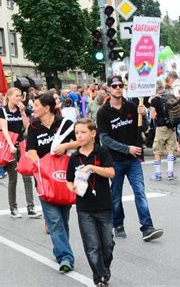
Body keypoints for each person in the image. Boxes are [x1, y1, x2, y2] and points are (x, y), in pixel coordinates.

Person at [97, 75, 164, 241]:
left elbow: (145, 128)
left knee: (140, 192)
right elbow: (104, 139)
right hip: (114, 160)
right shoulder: (103, 112)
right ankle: (118, 224)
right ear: (109, 89)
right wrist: (127, 149)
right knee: (116, 195)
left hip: (133, 160)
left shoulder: (133, 106)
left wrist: (145, 114)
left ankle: (147, 227)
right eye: (114, 86)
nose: (118, 88)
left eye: (120, 85)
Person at [26, 93, 78, 273]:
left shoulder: (65, 124)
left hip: (64, 179)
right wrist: (42, 165)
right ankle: (66, 258)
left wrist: (64, 147)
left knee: (63, 220)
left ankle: (59, 251)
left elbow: (80, 142)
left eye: (36, 105)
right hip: (45, 180)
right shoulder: (33, 126)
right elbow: (30, 151)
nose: (33, 108)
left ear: (46, 108)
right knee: (55, 221)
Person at [66, 118, 115, 286]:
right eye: (76, 133)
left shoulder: (102, 152)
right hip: (84, 208)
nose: (79, 136)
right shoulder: (74, 157)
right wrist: (71, 188)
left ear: (93, 134)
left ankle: (105, 267)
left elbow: (111, 172)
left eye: (83, 132)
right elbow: (68, 180)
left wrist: (92, 168)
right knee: (92, 245)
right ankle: (99, 277)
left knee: (107, 244)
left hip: (104, 205)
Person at [0, 87, 41, 219]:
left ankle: (31, 207)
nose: (19, 98)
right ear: (9, 96)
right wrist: (11, 145)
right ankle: (13, 208)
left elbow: (27, 127)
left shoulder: (22, 109)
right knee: (13, 179)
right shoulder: (2, 111)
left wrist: (22, 112)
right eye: (16, 96)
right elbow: (4, 129)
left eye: (20, 96)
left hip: (22, 144)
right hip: (10, 146)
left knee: (27, 176)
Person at [150, 80, 178, 181]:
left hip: (161, 127)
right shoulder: (171, 96)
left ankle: (158, 173)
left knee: (158, 150)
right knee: (171, 149)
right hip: (172, 126)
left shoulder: (155, 100)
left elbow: (153, 116)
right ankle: (170, 172)